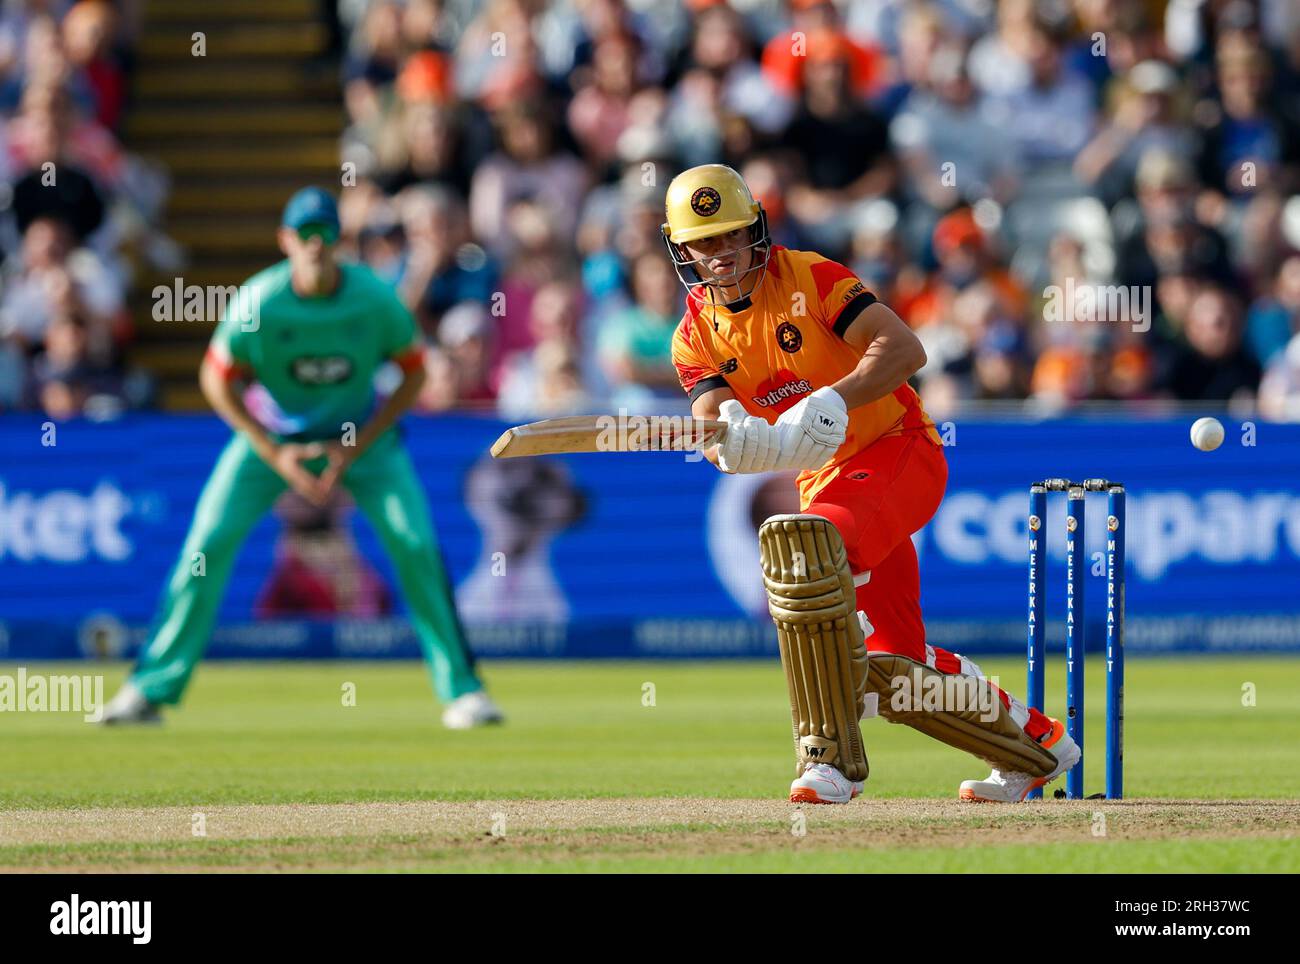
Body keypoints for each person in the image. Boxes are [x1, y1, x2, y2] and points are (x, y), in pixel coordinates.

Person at [664, 164, 1077, 803]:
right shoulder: (693, 335)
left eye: (731, 236)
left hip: (898, 450)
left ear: (756, 231)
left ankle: (829, 761)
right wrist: (734, 441)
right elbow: (712, 422)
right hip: (828, 480)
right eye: (704, 243)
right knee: (896, 672)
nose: (720, 255)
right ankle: (1035, 744)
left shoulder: (811, 276)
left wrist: (837, 396)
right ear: (682, 249)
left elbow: (905, 348)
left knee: (806, 553)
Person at [101, 188, 503, 730]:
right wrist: (273, 451)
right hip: (271, 440)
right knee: (206, 545)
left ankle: (463, 690)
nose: (315, 245)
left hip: (363, 439)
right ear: (285, 240)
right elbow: (215, 380)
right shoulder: (259, 301)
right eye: (304, 234)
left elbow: (414, 372)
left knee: (417, 545)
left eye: (325, 234)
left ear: (340, 240)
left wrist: (357, 444)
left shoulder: (374, 300)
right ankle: (149, 689)